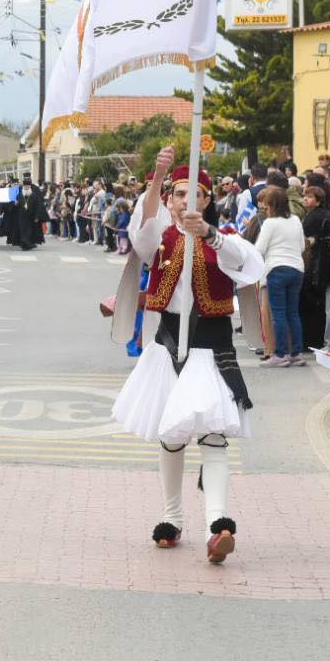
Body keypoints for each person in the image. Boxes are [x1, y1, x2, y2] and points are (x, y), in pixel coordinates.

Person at [111, 149, 266, 565]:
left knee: (212, 435)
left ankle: (218, 525)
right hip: (167, 348)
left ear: (208, 200)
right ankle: (172, 517)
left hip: (210, 350)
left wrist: (210, 234)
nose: (186, 202)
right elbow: (142, 227)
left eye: (195, 194)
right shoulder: (161, 235)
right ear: (170, 199)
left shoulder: (225, 238)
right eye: (179, 194)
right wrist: (159, 174)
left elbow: (249, 265)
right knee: (172, 436)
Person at [253, 186, 306, 367]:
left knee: (278, 314)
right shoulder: (296, 220)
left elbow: (259, 249)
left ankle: (280, 354)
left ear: (272, 205)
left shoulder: (270, 223)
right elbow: (302, 246)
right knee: (293, 313)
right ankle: (296, 353)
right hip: (297, 268)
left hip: (276, 268)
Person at [301, 185, 330, 352]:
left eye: (309, 197)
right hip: (327, 265)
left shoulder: (314, 217)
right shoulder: (325, 215)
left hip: (321, 265)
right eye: (305, 196)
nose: (305, 199)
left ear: (318, 201)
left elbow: (310, 242)